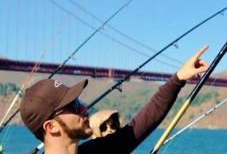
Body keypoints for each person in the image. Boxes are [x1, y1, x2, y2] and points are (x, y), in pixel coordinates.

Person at [20, 45, 209, 154]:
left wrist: (179, 79)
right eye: (73, 106)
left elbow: (141, 123)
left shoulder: (98, 152)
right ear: (50, 126)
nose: (84, 109)